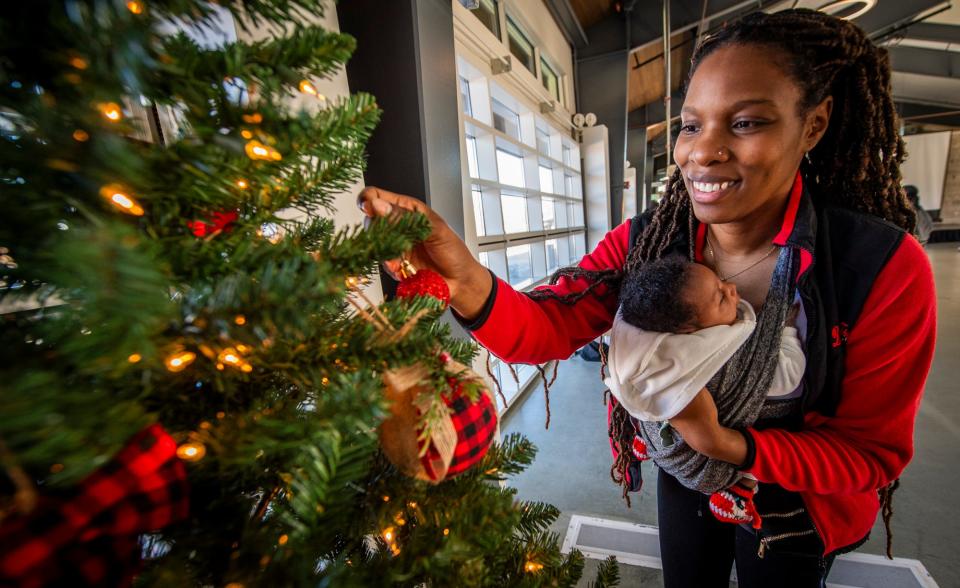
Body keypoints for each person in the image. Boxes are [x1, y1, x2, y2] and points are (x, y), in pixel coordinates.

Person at [358, 9, 936, 587]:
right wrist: (467, 280)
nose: (703, 152)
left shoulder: (876, 267)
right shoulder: (648, 245)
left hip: (795, 502)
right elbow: (544, 328)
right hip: (683, 469)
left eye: (746, 123)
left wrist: (727, 444)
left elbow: (868, 454)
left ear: (813, 125)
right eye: (690, 125)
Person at [605, 256, 806, 529]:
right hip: (707, 465)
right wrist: (786, 331)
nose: (732, 288)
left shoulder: (647, 340)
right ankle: (741, 489)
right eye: (721, 297)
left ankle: (643, 439)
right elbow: (787, 375)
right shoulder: (720, 361)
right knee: (764, 423)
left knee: (647, 398)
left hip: (660, 437)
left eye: (721, 281)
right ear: (689, 329)